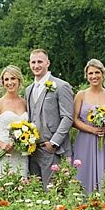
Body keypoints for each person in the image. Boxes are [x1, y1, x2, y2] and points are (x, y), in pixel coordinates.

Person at [24, 49, 75, 187]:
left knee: (54, 194)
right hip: (33, 151)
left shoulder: (61, 86)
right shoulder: (28, 90)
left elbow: (68, 117)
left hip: (52, 149)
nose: (36, 65)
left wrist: (54, 142)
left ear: (48, 63)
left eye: (40, 62)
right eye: (33, 62)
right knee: (35, 192)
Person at [72, 59, 105, 193]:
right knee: (83, 173)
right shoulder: (81, 95)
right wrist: (92, 129)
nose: (94, 76)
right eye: (90, 73)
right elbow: (74, 120)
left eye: (97, 72)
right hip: (85, 141)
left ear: (103, 73)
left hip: (104, 142)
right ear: (86, 76)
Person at [0, 65, 30, 182]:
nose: (9, 82)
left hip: (20, 154)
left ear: (19, 80)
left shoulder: (25, 104)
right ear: (3, 83)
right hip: (1, 151)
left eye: (13, 79)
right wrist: (2, 145)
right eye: (6, 80)